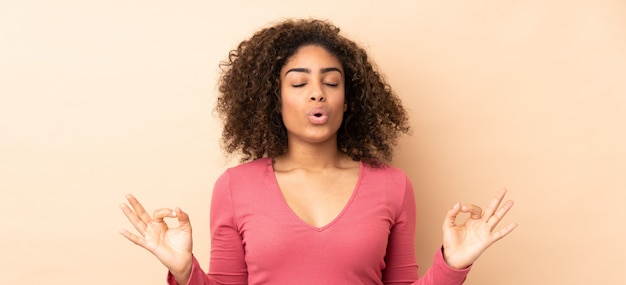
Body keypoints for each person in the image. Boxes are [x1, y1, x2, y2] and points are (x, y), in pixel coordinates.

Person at [119, 18, 517, 285]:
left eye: (331, 82)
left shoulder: (392, 186)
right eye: (298, 83)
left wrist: (454, 263)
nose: (317, 93)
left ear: (349, 99)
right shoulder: (234, 188)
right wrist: (185, 270)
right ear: (273, 99)